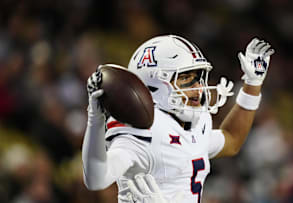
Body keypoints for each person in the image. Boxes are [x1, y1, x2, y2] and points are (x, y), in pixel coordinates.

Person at [82, 35, 274, 202]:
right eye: (186, 78)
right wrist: (95, 121)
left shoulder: (196, 122)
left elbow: (231, 140)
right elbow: (96, 178)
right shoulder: (143, 129)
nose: (199, 87)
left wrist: (252, 85)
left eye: (198, 77)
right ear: (154, 83)